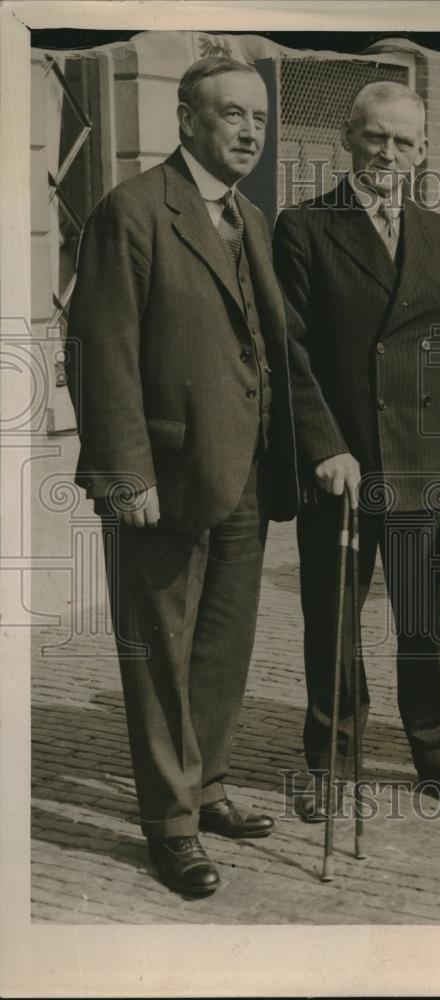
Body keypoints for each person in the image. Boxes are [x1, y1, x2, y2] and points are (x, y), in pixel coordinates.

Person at [66, 57, 299, 895]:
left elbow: (270, 350)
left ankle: (206, 789)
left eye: (258, 120)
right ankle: (169, 827)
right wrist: (126, 476)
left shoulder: (253, 220)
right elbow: (101, 353)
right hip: (162, 476)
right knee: (158, 653)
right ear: (185, 120)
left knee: (222, 648)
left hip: (242, 474)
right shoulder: (131, 213)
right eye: (230, 115)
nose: (247, 131)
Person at [273, 81, 440, 816]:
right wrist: (323, 446)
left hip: (424, 463)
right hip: (342, 468)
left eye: (403, 141)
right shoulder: (304, 227)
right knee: (333, 622)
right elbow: (289, 351)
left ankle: (436, 752)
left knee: (424, 621)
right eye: (375, 137)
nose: (387, 153)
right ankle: (331, 763)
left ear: (423, 151)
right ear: (347, 137)